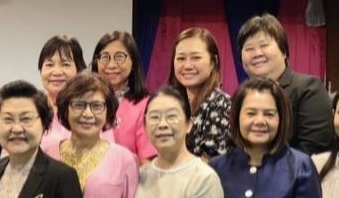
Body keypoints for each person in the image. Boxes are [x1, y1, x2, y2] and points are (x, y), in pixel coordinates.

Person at [237, 13, 333, 155]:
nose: (257, 53)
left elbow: (314, 149)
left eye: (264, 45)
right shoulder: (242, 95)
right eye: (249, 49)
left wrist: (262, 164)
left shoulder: (309, 88)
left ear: (284, 52)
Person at [168, 27, 232, 159]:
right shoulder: (171, 102)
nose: (187, 66)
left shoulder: (221, 103)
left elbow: (211, 163)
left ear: (213, 62)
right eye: (181, 58)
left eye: (196, 58)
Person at [38, 35, 110, 151]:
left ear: (79, 70)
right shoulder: (33, 107)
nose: (56, 72)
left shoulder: (94, 108)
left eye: (65, 64)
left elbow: (107, 152)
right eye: (49, 65)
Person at [91, 31, 154, 162]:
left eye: (119, 57)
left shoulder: (146, 105)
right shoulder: (85, 101)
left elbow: (147, 161)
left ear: (133, 62)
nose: (111, 65)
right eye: (105, 57)